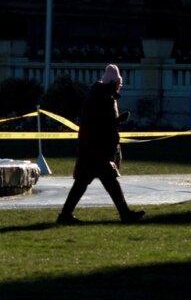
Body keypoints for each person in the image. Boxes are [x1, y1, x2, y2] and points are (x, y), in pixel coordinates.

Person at [56, 64, 146, 225]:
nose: (120, 86)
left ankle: (66, 215)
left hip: (92, 148)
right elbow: (101, 123)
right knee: (107, 182)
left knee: (87, 183)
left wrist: (116, 121)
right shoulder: (102, 97)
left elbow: (99, 121)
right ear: (113, 82)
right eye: (118, 83)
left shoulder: (99, 94)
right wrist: (118, 120)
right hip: (96, 149)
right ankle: (124, 214)